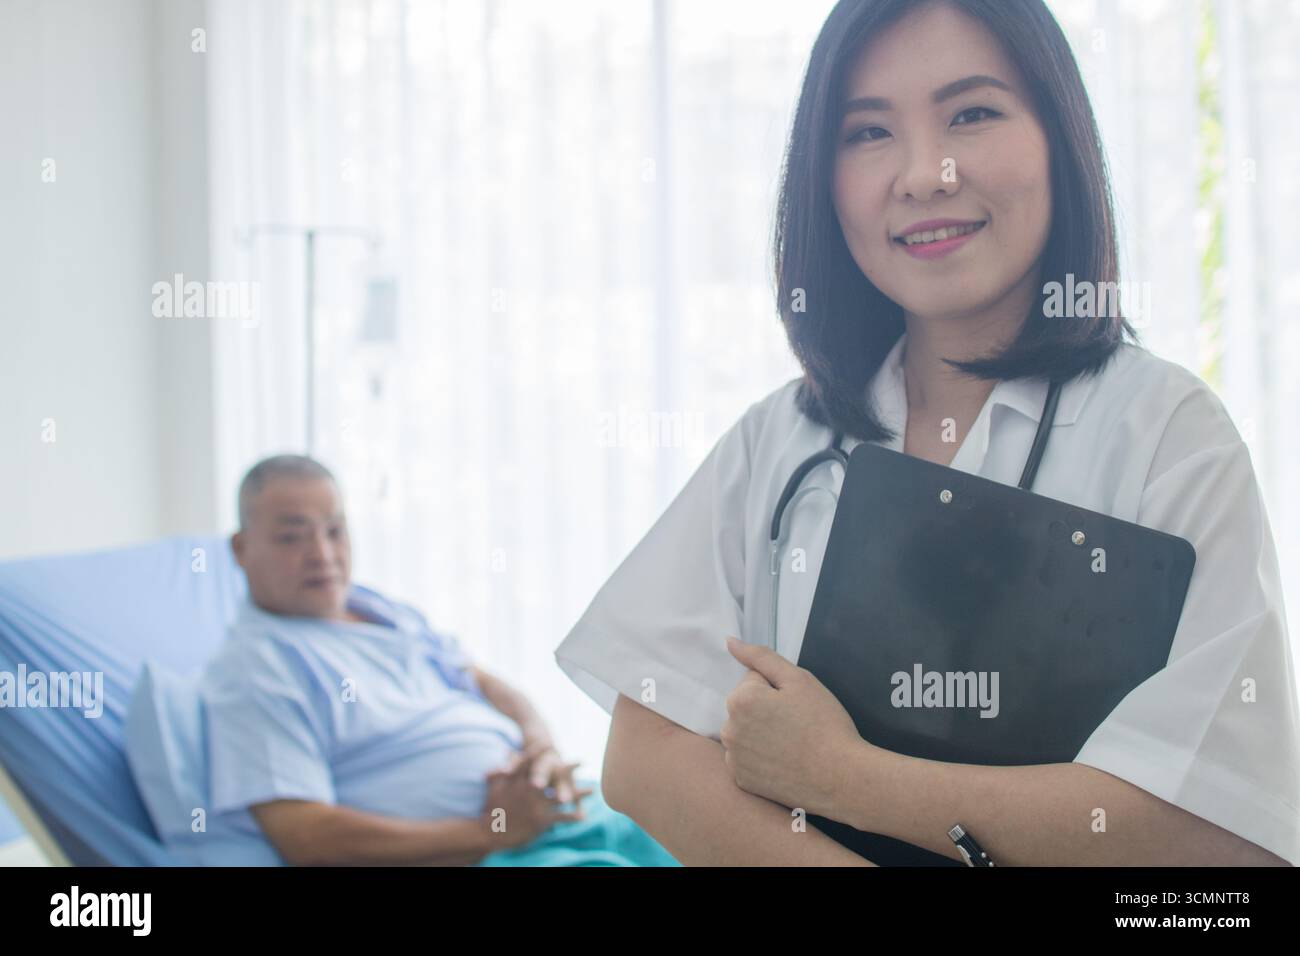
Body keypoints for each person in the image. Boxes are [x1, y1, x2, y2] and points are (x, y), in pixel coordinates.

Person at [554, 0, 1298, 866]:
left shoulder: (1166, 434)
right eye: (868, 132)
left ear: (1059, 136)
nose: (923, 174)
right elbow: (646, 756)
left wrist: (841, 775)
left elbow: (1218, 831)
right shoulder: (782, 438)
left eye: (972, 113)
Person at [201, 454, 677, 866]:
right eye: (292, 537)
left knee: (698, 825)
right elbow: (304, 836)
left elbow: (488, 684)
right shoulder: (255, 670)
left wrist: (541, 750)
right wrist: (491, 832)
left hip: (559, 815)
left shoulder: (382, 611)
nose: (322, 554)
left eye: (334, 530)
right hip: (490, 854)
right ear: (241, 549)